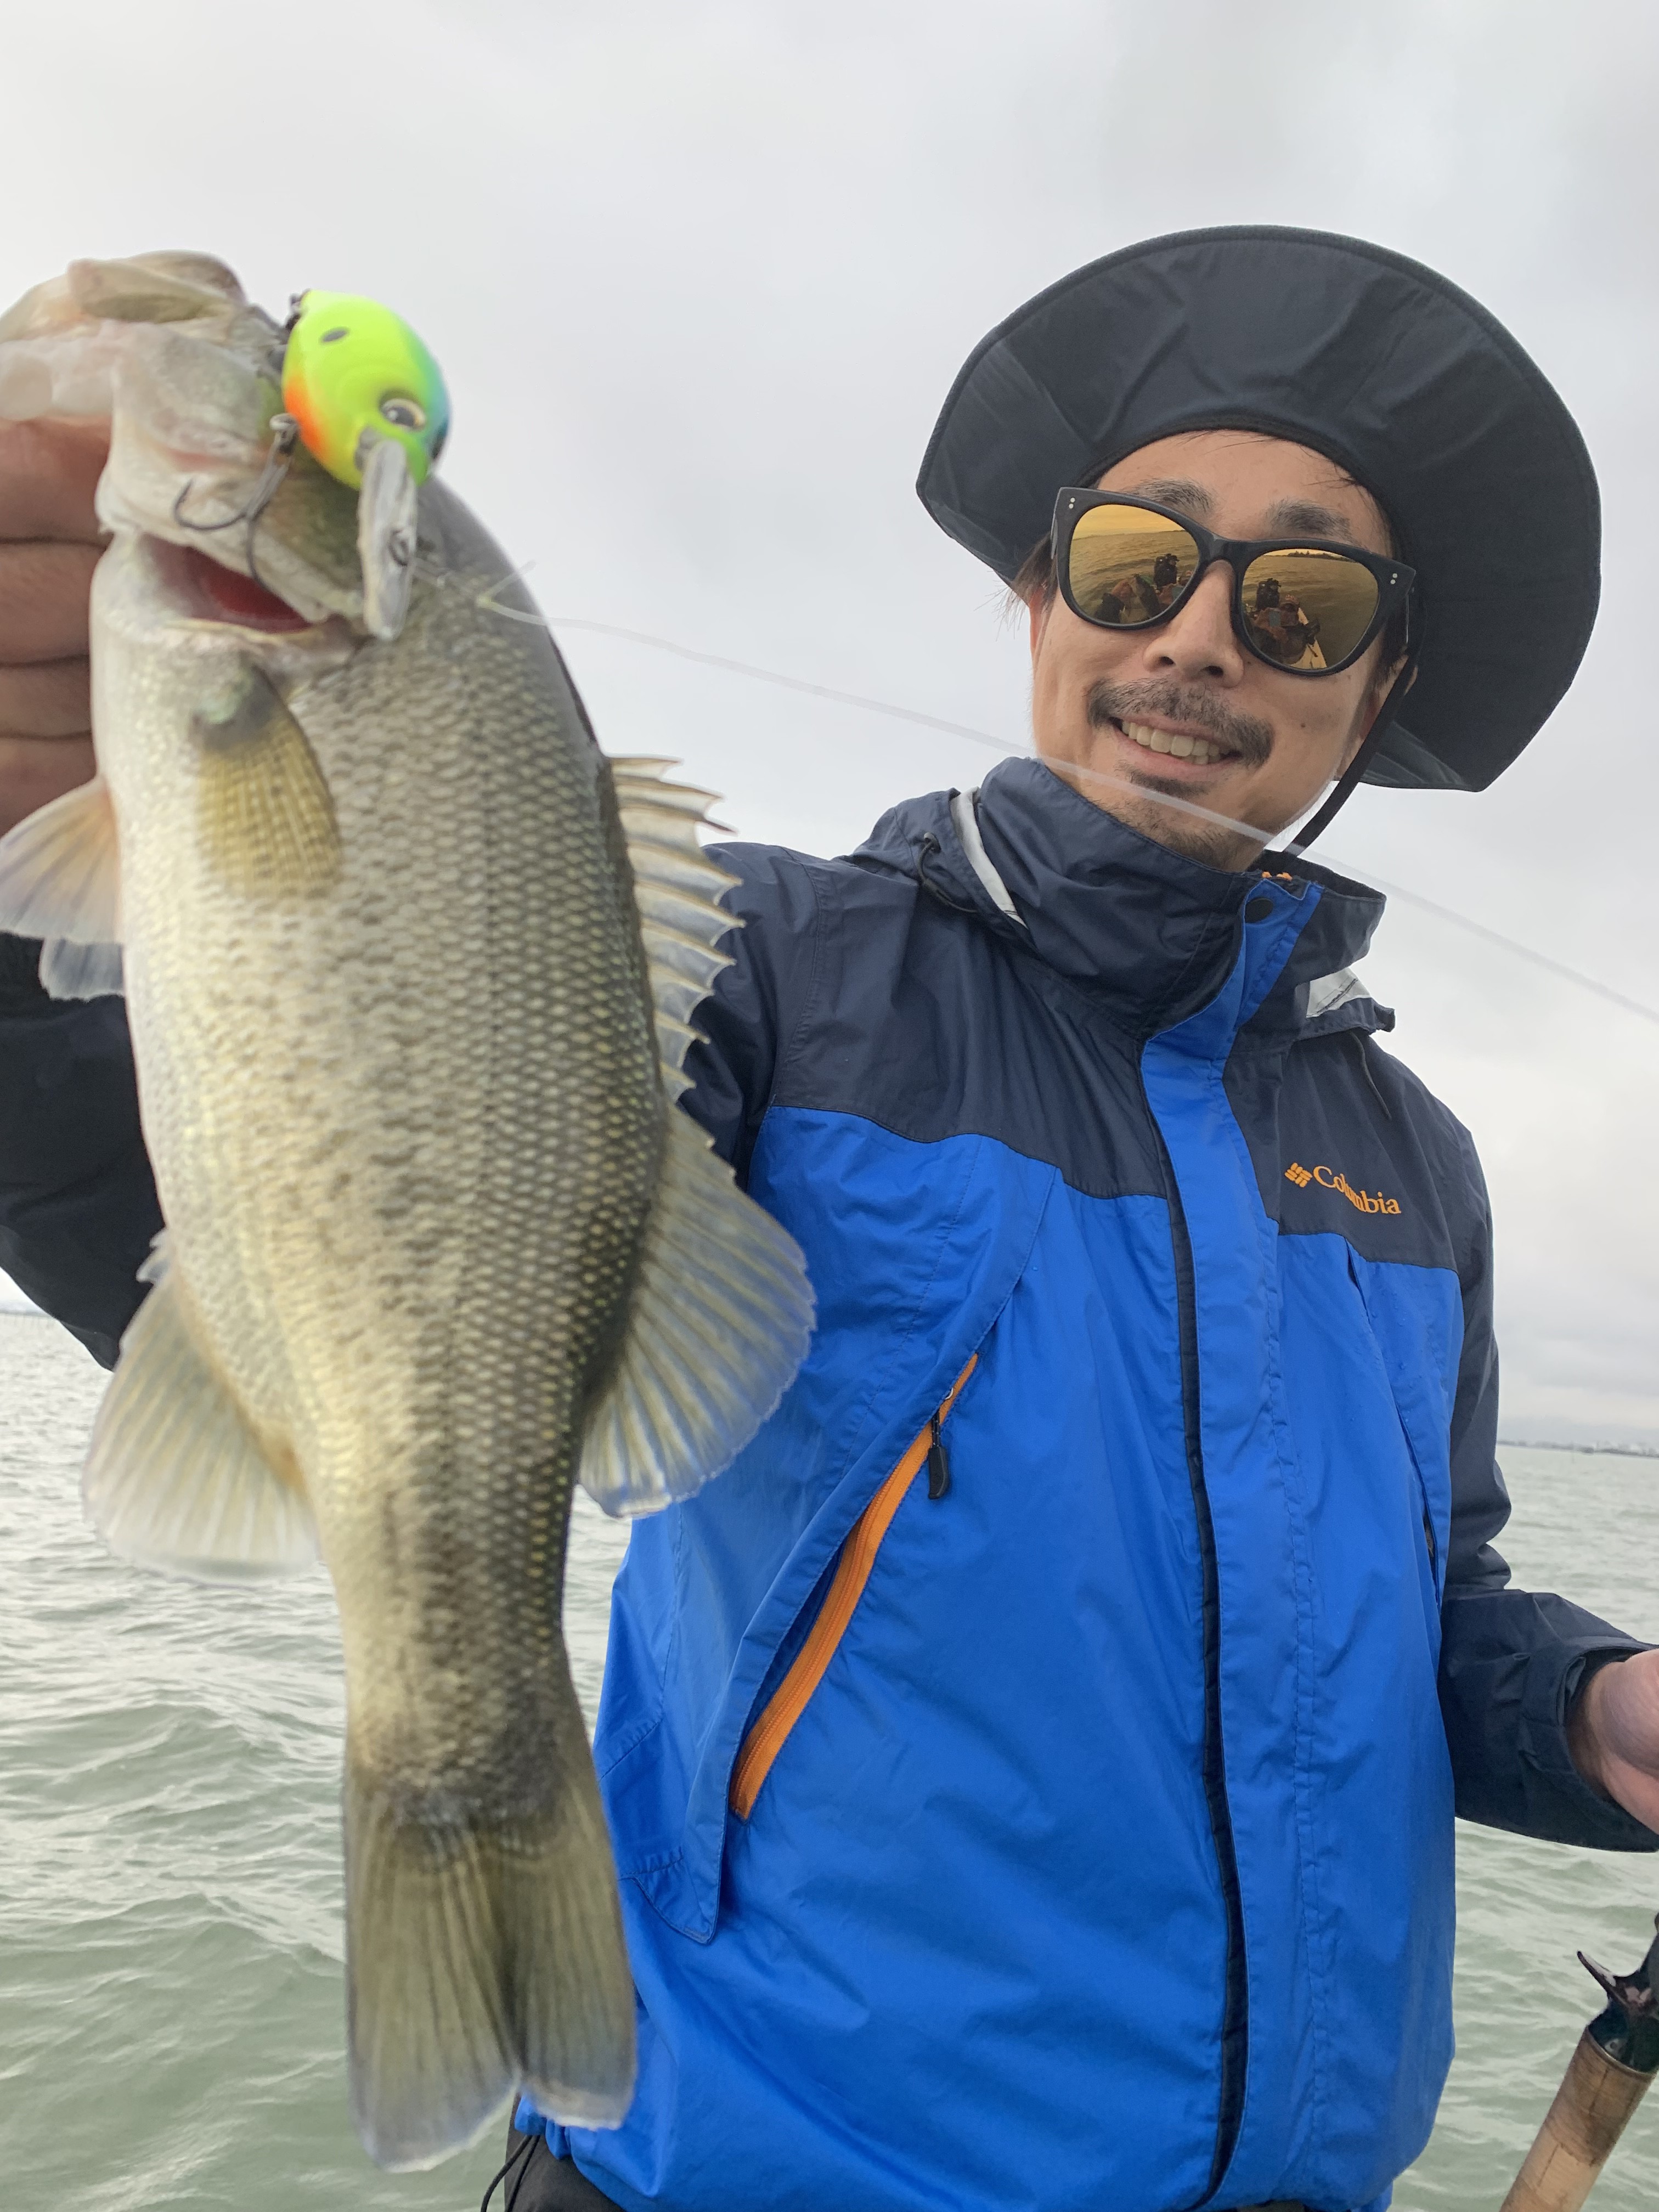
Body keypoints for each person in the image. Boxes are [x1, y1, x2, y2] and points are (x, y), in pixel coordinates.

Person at [2, 228, 1657, 2212]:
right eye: (1141, 562)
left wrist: (1592, 1711)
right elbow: (314, 1186)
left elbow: (1424, 1625)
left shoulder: (1419, 1165)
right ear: (1042, 593)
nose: (1205, 639)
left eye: (1305, 603)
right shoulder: (762, 972)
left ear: (1381, 685)